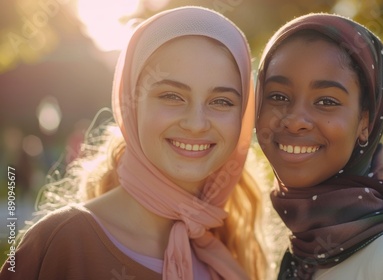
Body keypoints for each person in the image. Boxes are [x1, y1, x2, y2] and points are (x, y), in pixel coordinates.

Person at [0, 6, 265, 280]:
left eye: (221, 101)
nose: (197, 123)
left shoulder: (228, 256)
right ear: (132, 104)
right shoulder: (63, 242)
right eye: (172, 96)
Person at [255, 13, 383, 280]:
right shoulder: (301, 243)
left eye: (326, 101)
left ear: (365, 120)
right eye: (278, 96)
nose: (295, 122)